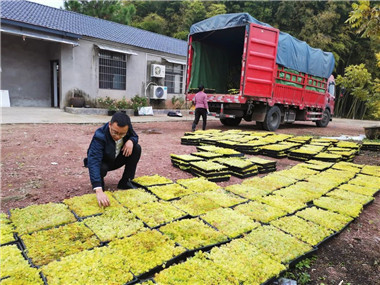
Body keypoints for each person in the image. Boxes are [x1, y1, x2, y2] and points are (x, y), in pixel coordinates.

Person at [84, 112, 141, 207]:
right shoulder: (99, 136)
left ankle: (125, 182)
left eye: (122, 134)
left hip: (117, 158)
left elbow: (134, 136)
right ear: (110, 125)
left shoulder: (127, 128)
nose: (117, 136)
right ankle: (100, 184)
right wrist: (98, 189)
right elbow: (94, 161)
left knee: (136, 148)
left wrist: (131, 141)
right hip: (104, 162)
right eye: (115, 132)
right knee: (99, 167)